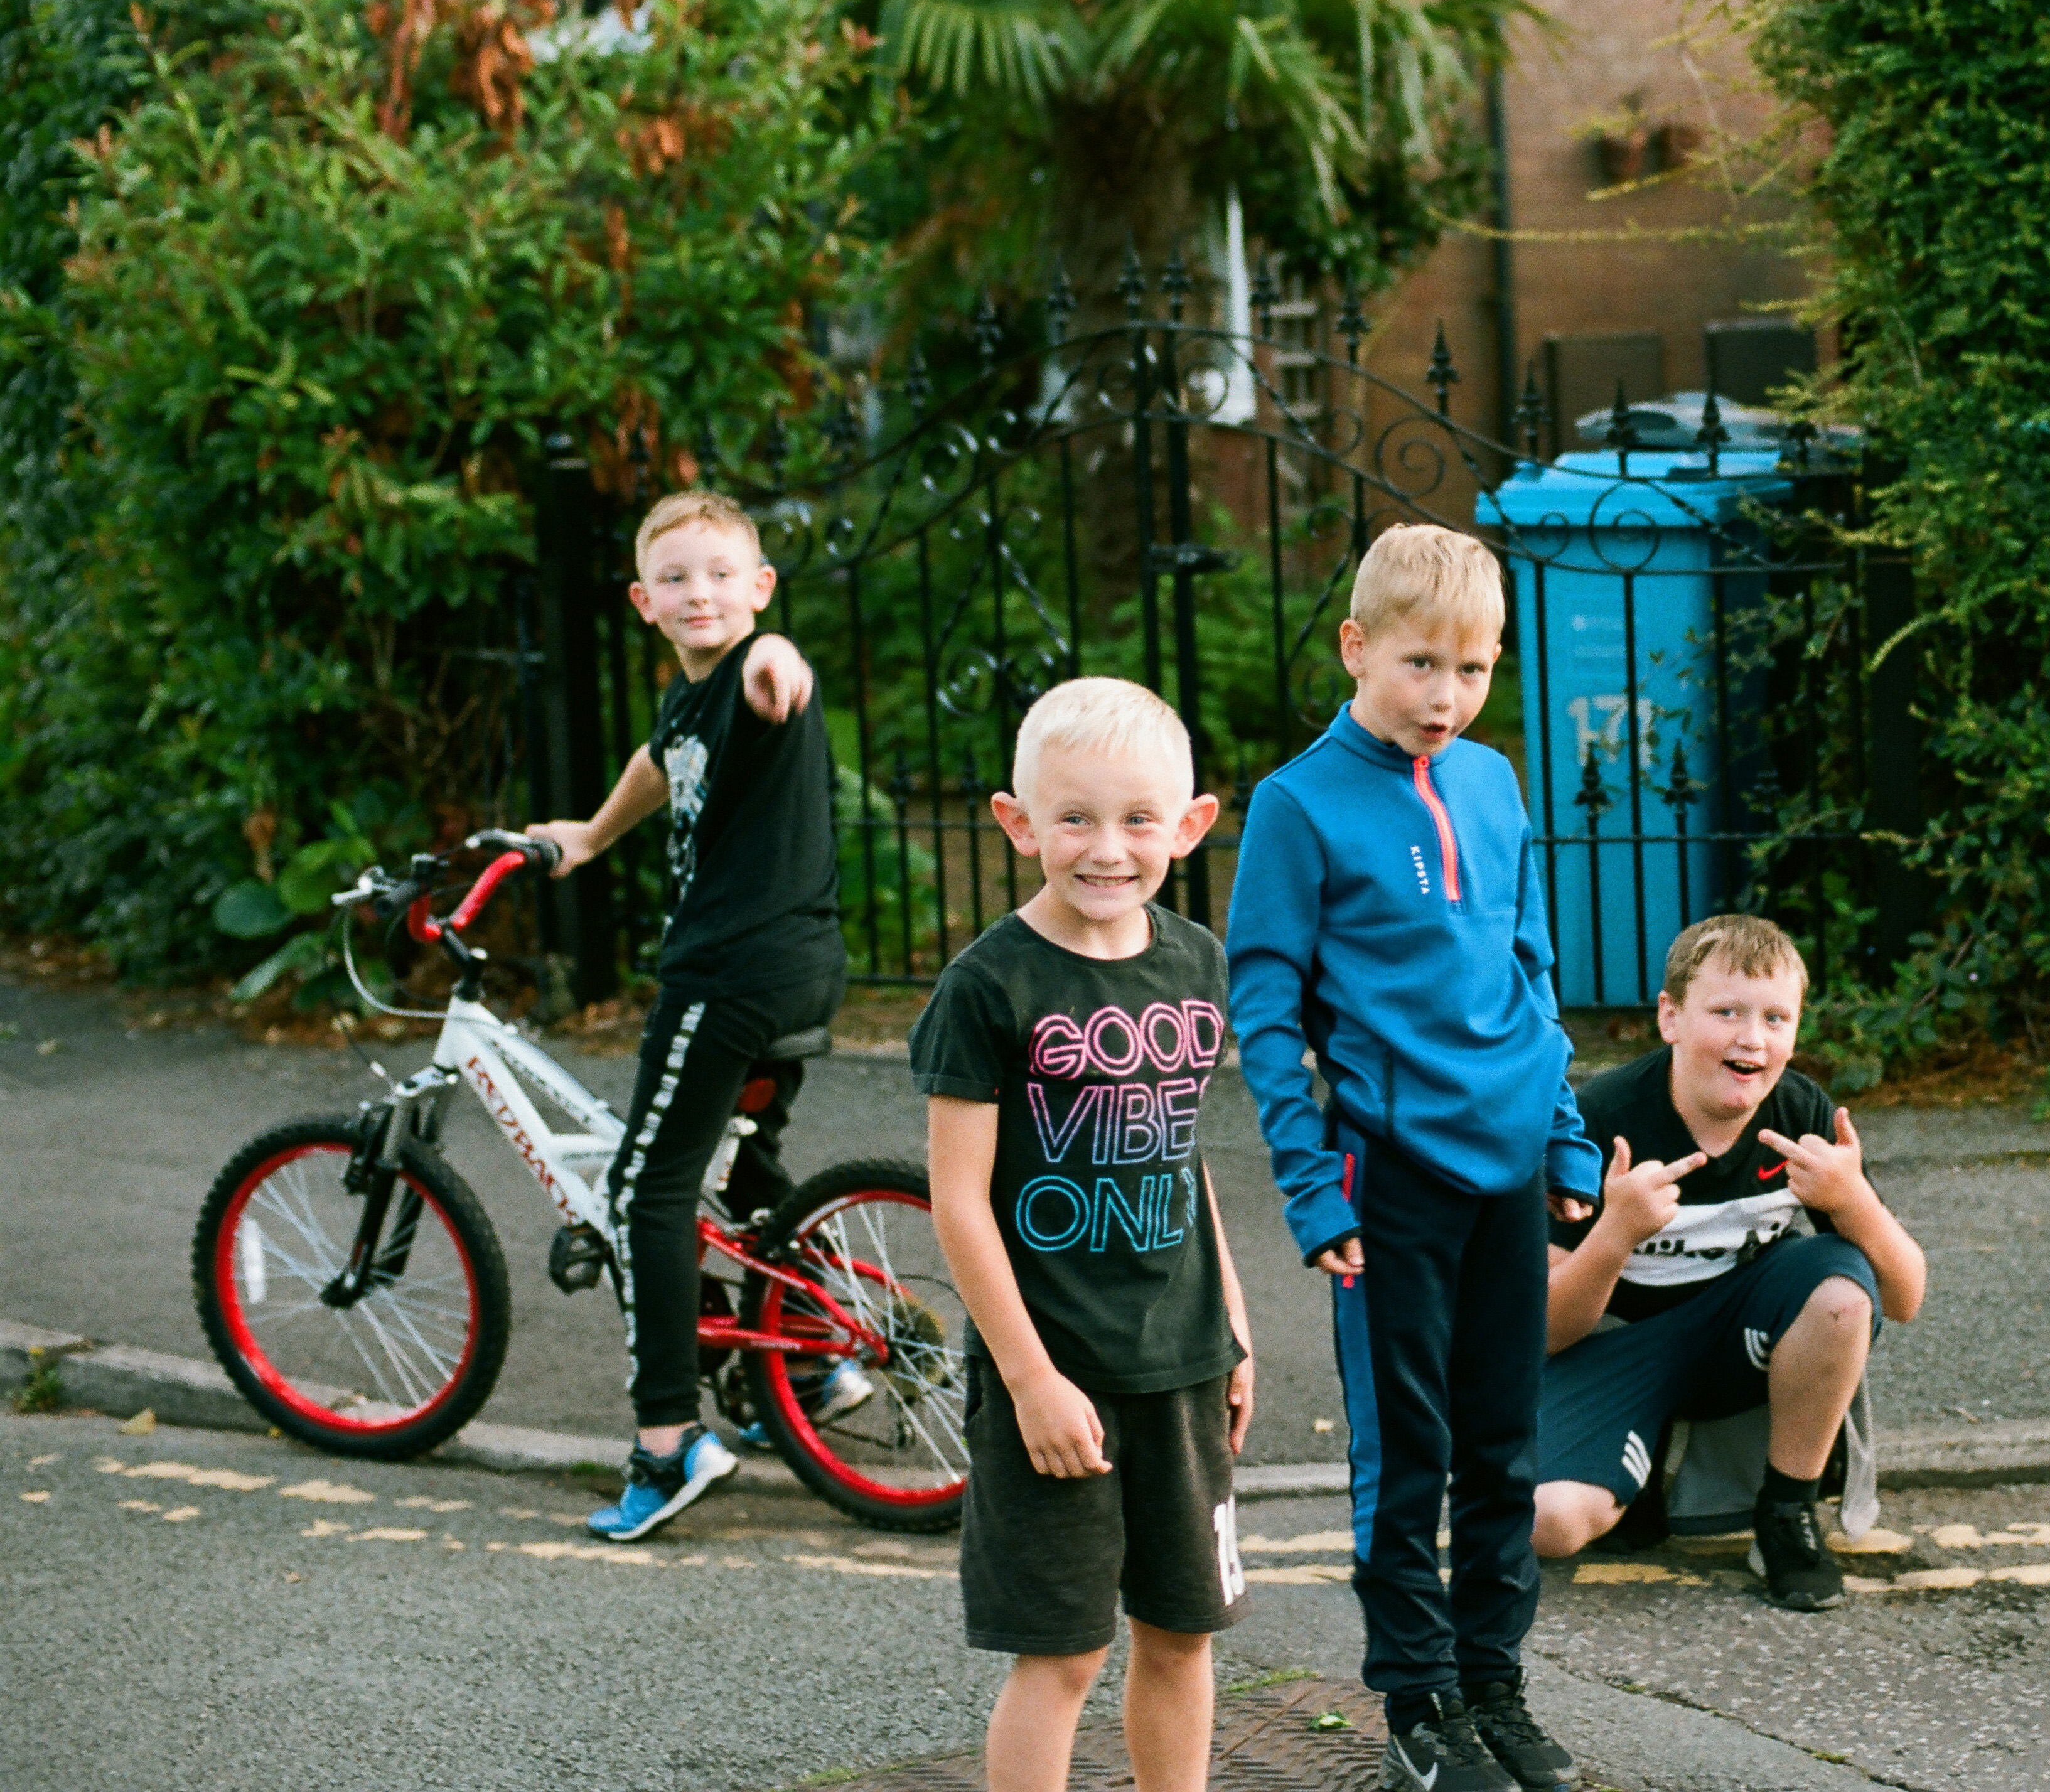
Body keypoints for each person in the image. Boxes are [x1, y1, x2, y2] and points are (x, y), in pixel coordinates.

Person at [1227, 523, 1600, 1792]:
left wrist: (1563, 1130)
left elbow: (1529, 970)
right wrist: (1308, 1179)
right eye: (1422, 664)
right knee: (1409, 1452)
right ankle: (1416, 1707)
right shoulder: (1295, 805)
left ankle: (1494, 1686)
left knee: (1506, 1442)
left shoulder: (1492, 785)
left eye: (1476, 669)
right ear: (1357, 648)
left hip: (1508, 1167)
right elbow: (1266, 1010)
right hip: (1385, 1177)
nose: (1448, 696)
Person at [913, 677, 1257, 1792]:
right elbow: (960, 1200)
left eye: (1138, 818)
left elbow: (1178, 1148)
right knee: (1065, 1651)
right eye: (1074, 817)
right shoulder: (987, 985)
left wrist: (1236, 1319)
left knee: (1181, 1631)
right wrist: (1029, 1378)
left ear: (1190, 824)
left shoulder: (1197, 961)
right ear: (1018, 822)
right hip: (1055, 1373)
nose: (1107, 848)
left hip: (1185, 1364)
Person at [527, 488, 847, 1542]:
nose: (698, 591)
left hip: (728, 973)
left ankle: (667, 1444)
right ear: (642, 601)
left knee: (642, 1193)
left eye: (721, 574)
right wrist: (590, 833)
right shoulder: (685, 702)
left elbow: (778, 675)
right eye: (676, 578)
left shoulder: (757, 678)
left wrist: (775, 660)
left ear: (759, 589)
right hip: (798, 967)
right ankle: (812, 1355)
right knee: (749, 1167)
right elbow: (659, 766)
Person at [1529, 913, 1927, 1611]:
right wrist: (1613, 1233)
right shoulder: (1595, 1121)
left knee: (1841, 1288)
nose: (1752, 1037)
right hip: (1614, 1350)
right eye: (1726, 1012)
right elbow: (1540, 1331)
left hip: (1735, 1344)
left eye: (1777, 1018)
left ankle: (1786, 1512)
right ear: (1670, 1017)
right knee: (1551, 1524)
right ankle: (1642, 1466)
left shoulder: (1801, 1110)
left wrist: (1854, 1200)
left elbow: (1904, 1298)